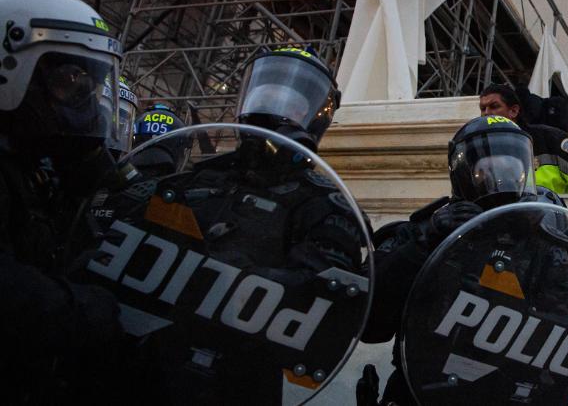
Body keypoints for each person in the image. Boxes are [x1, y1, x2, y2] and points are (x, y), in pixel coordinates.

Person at [94, 46, 366, 403]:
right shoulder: (199, 178)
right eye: (265, 94)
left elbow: (324, 297)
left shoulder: (323, 203)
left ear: (314, 117)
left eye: (291, 103)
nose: (275, 107)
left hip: (243, 374)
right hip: (154, 359)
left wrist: (229, 275)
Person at [0, 0, 129, 402]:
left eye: (91, 86)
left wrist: (94, 169)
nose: (85, 102)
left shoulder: (32, 164)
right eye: (68, 81)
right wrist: (93, 311)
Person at [361, 115, 537, 404]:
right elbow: (370, 324)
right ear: (464, 171)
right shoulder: (421, 232)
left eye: (511, 169)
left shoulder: (541, 242)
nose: (501, 179)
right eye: (489, 168)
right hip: (421, 390)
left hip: (508, 395)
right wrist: (426, 243)